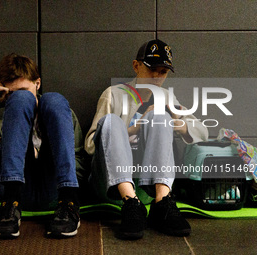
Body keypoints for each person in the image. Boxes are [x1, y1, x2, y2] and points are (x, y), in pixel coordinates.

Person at [84, 39, 208, 239]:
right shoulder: (113, 94)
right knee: (111, 121)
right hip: (110, 185)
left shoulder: (167, 98)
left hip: (147, 188)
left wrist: (178, 123)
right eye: (152, 70)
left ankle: (162, 203)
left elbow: (202, 132)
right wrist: (134, 128)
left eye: (163, 72)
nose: (157, 77)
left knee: (160, 117)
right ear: (136, 66)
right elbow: (90, 146)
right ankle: (130, 204)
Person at [0, 53, 87, 239]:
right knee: (21, 103)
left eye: (24, 89)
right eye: (11, 94)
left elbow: (79, 160)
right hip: (17, 191)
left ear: (37, 83)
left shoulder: (62, 115)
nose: (17, 96)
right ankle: (10, 204)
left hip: (56, 188)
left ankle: (69, 203)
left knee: (53, 100)